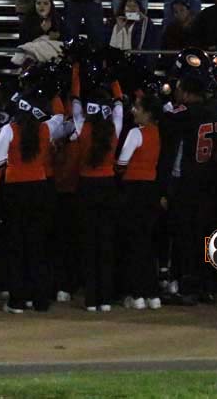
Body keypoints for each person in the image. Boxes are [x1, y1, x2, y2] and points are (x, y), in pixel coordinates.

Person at [0, 91, 65, 313]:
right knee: (37, 244)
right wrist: (55, 91)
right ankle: (39, 299)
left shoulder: (8, 130)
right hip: (39, 189)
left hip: (14, 191)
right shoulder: (46, 129)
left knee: (16, 245)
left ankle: (17, 300)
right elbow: (60, 116)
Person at [158, 75, 217, 305]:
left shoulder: (184, 113)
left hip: (187, 182)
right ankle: (207, 285)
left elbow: (165, 120)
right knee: (206, 235)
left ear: (187, 92)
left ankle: (184, 286)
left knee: (184, 235)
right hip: (211, 180)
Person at [71, 64, 124, 311]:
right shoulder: (114, 128)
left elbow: (74, 101)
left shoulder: (82, 126)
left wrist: (76, 73)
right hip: (108, 186)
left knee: (88, 243)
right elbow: (120, 103)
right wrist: (113, 79)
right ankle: (105, 298)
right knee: (106, 242)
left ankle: (91, 299)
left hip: (86, 187)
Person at [116, 94, 162, 310]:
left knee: (133, 242)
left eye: (137, 107)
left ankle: (137, 294)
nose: (133, 111)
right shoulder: (158, 132)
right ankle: (152, 294)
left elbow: (122, 162)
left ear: (148, 113)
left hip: (134, 191)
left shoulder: (136, 133)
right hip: (151, 190)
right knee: (147, 242)